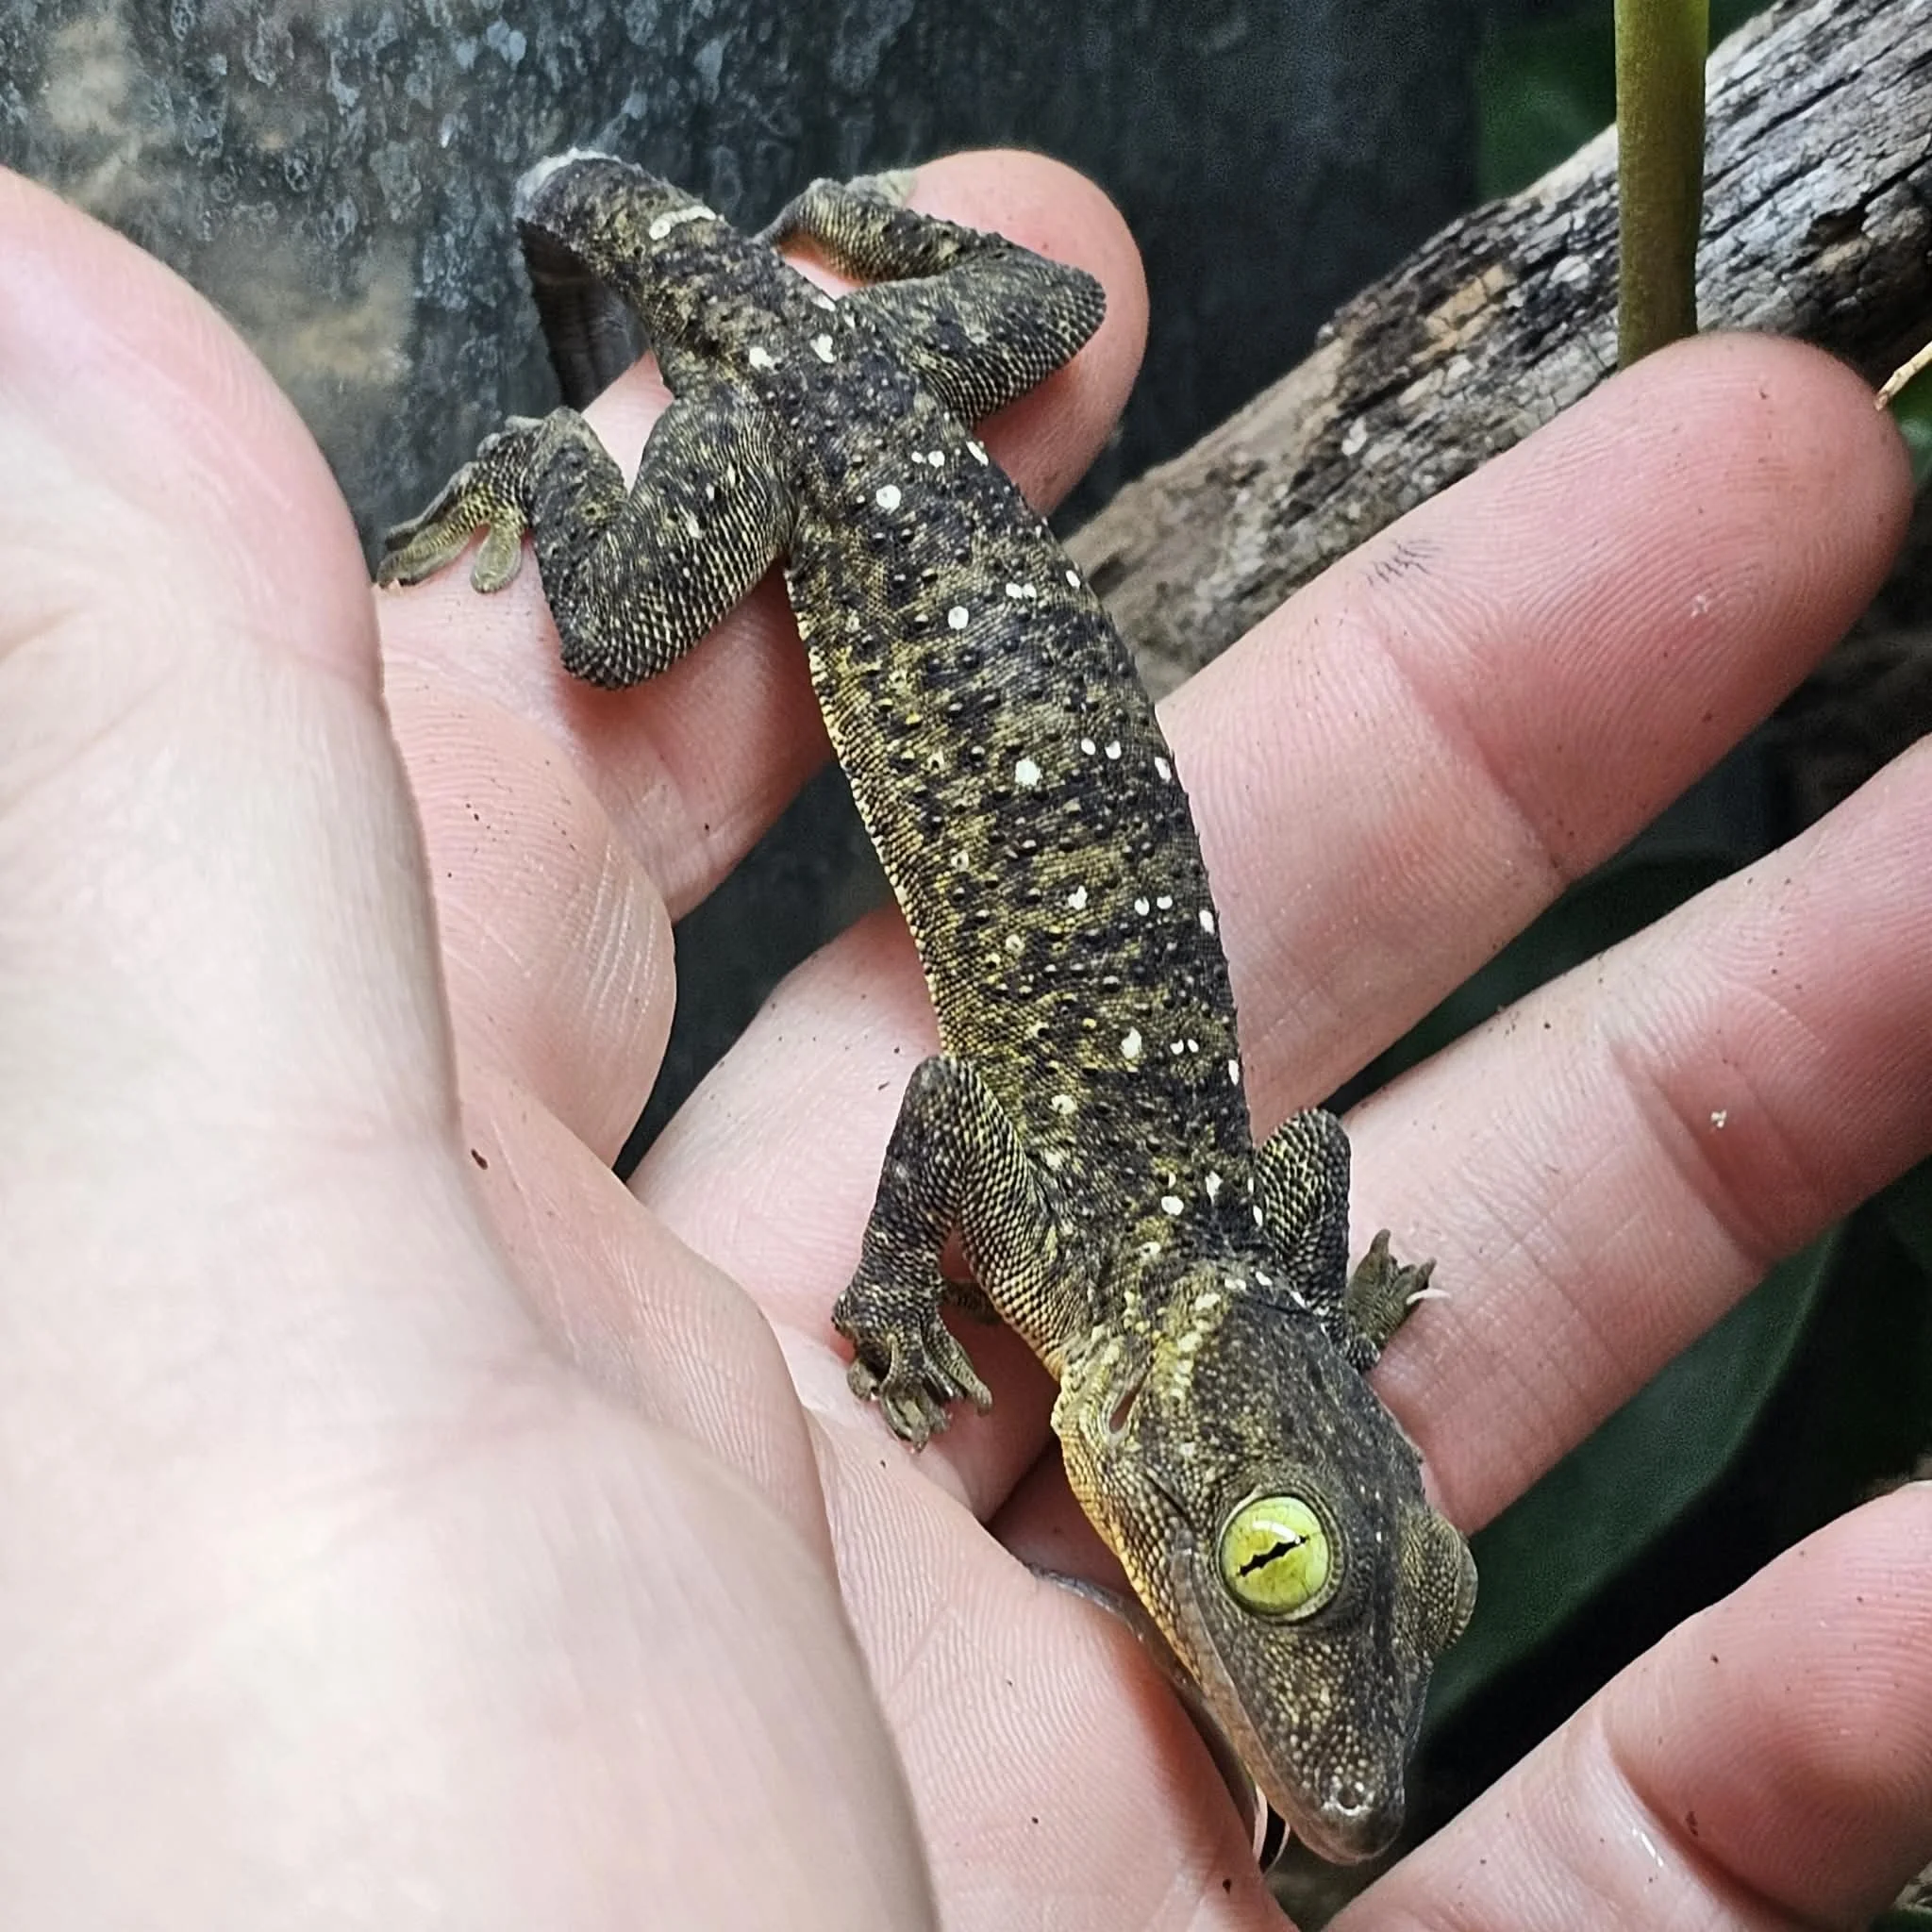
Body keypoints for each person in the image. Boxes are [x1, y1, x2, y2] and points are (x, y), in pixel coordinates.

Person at [2, 149, 1926, 1928]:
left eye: (1357, 1570)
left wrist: (1310, 1333)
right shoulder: (1091, 1267)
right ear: (1167, 1429)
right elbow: (936, 1107)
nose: (1358, 1768)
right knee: (605, 634)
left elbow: (1310, 1160)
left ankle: (867, 215)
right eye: (1279, 1558)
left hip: (881, 377)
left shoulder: (1212, 1262)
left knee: (1052, 301)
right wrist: (897, 1301)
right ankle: (547, 453)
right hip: (808, 432)